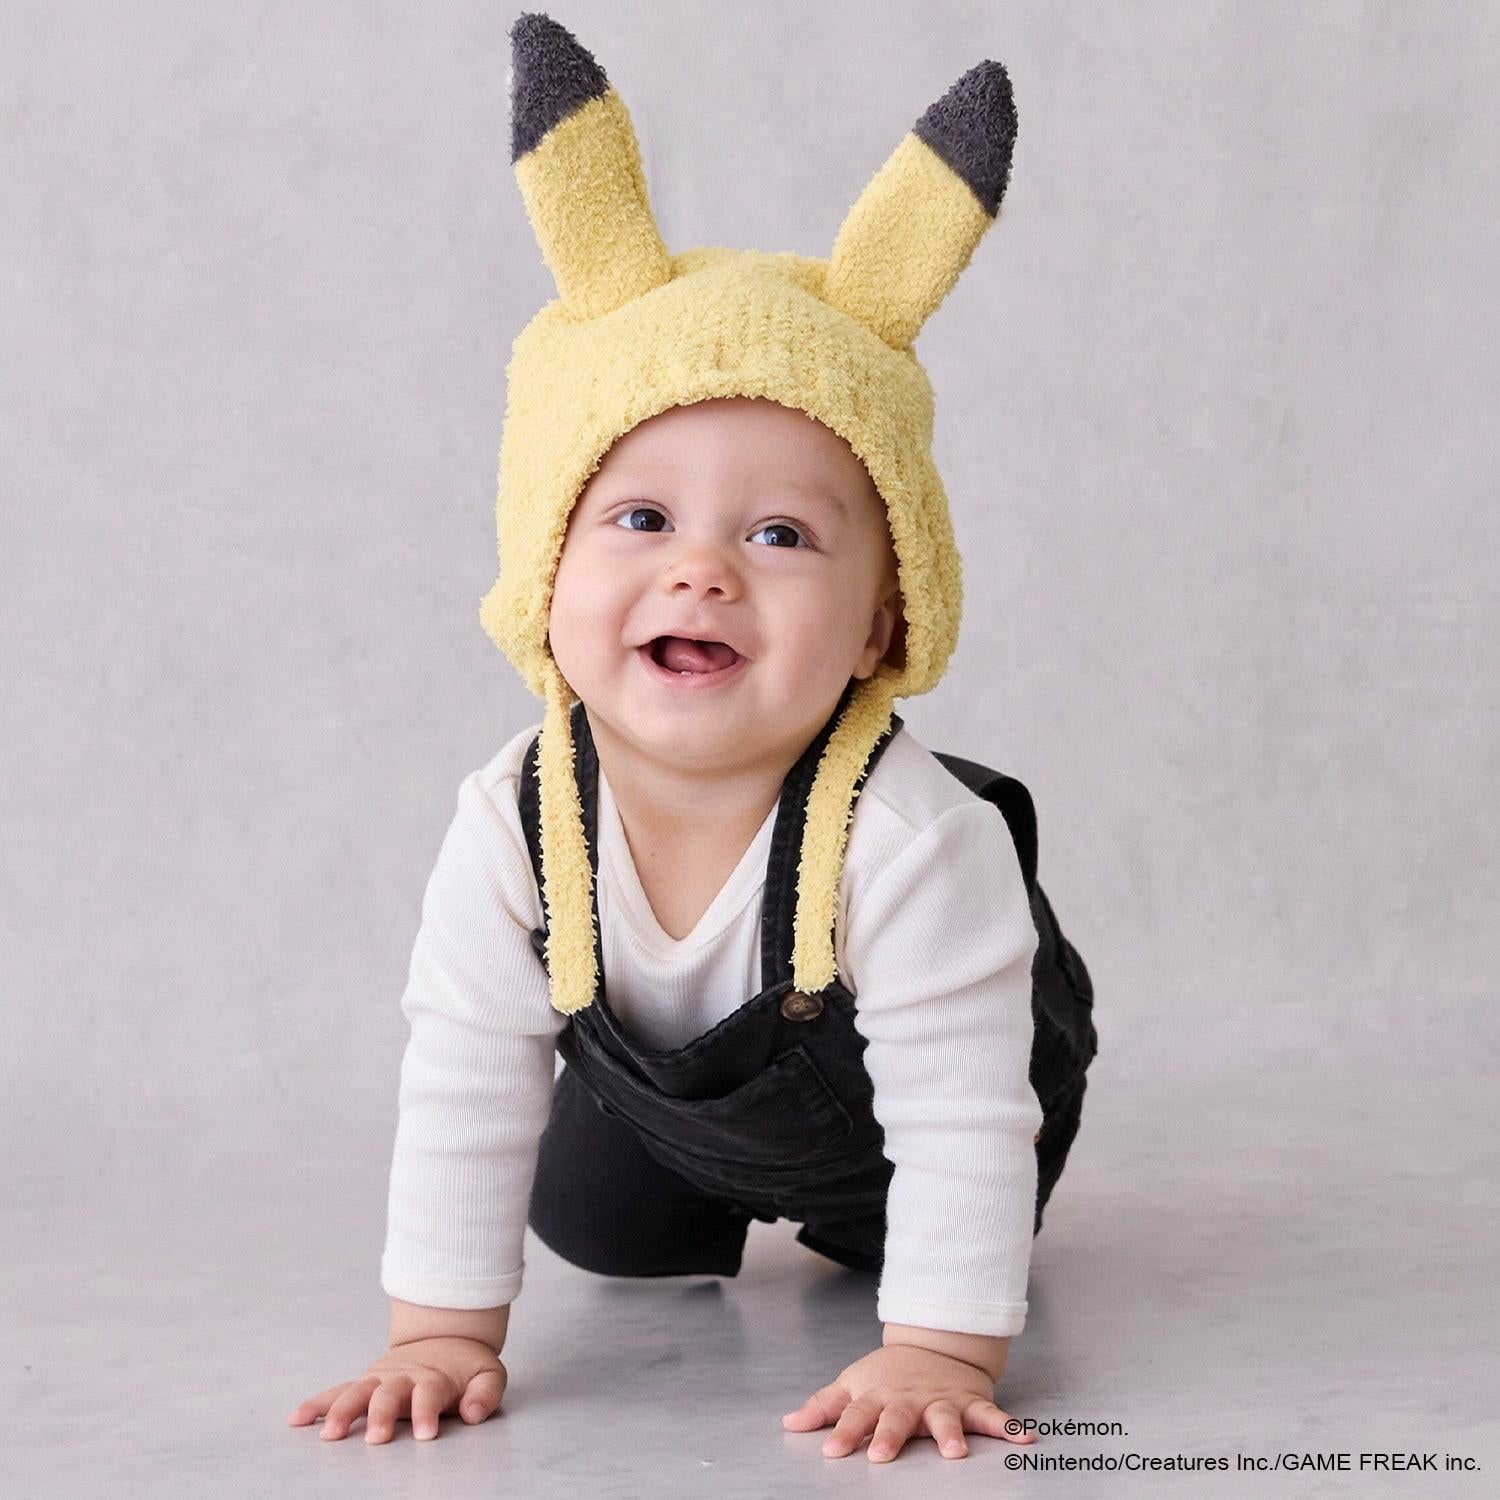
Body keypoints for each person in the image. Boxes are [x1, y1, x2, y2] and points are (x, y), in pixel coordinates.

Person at [288, 10, 1096, 1465]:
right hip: (667, 1109)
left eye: (781, 535)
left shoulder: (915, 841)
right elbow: (467, 1073)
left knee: (912, 1231)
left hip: (899, 1123)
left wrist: (935, 1344)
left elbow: (962, 1120)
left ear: (882, 621)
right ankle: (688, 1187)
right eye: (643, 519)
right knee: (596, 1224)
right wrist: (439, 1332)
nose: (702, 571)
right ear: (546, 574)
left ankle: (879, 1252)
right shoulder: (515, 817)